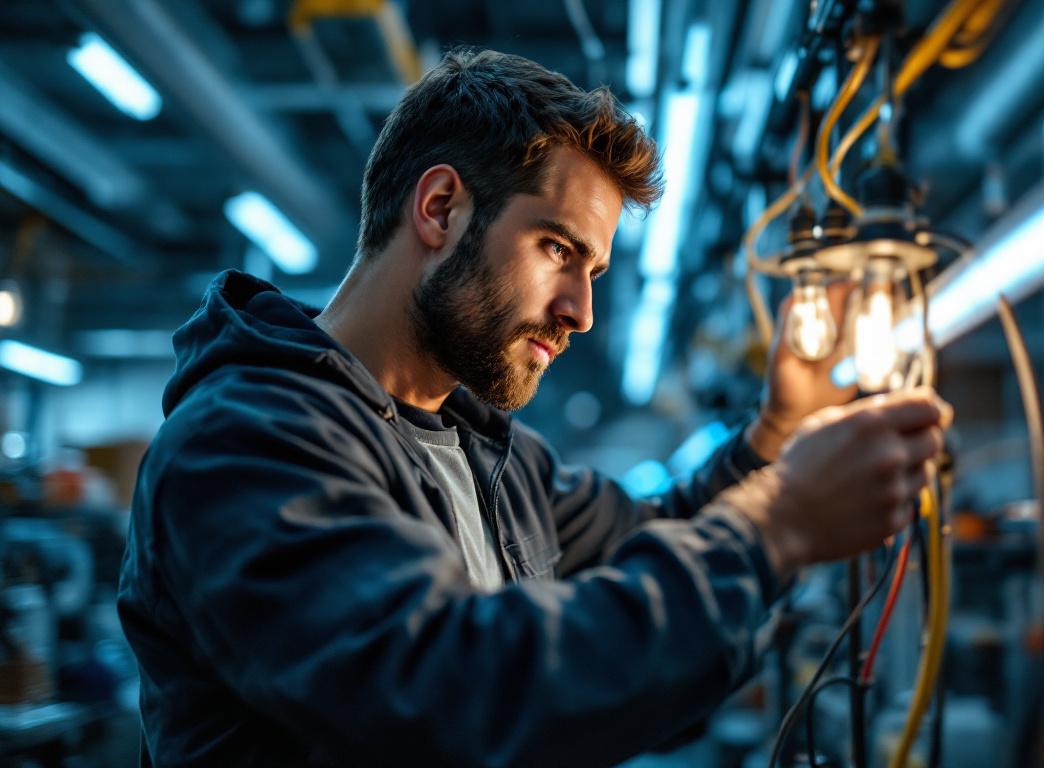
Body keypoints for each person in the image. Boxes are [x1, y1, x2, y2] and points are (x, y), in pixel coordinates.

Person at [118, 48, 951, 766]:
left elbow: (652, 537)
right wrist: (779, 527)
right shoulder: (243, 444)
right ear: (440, 208)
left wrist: (774, 433)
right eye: (558, 248)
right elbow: (447, 693)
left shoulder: (492, 457)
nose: (580, 311)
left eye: (590, 268)